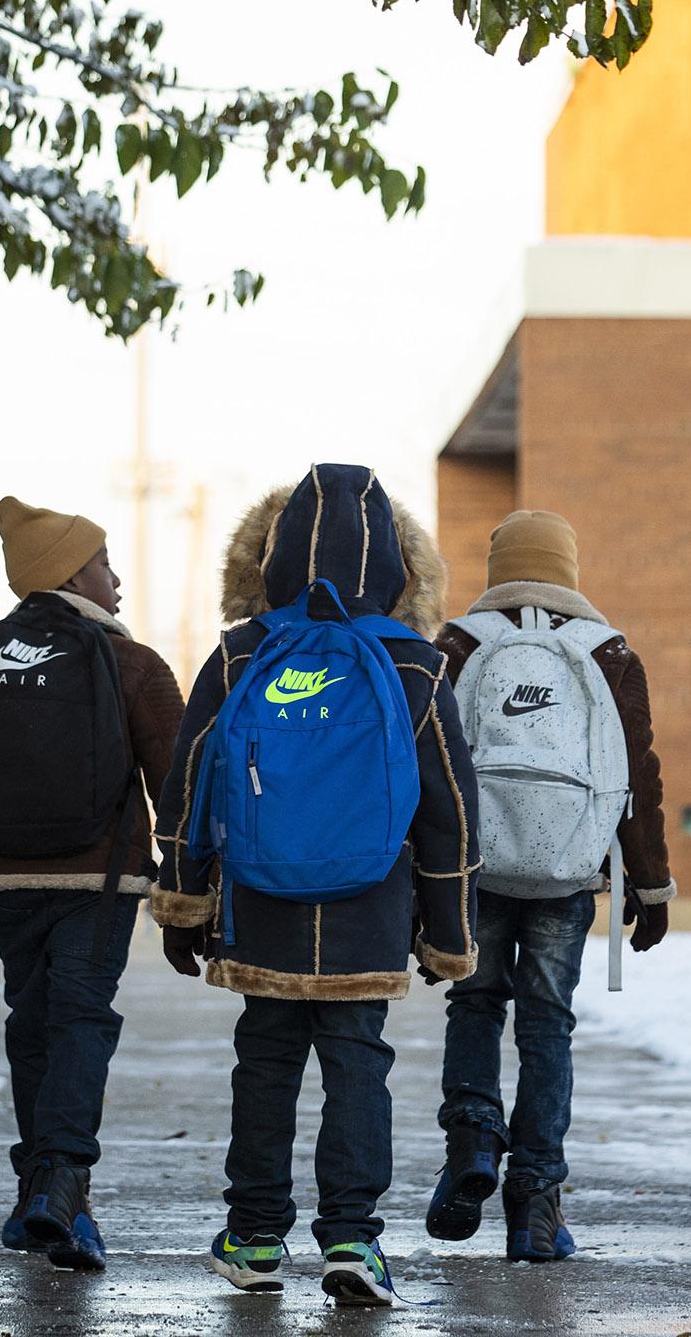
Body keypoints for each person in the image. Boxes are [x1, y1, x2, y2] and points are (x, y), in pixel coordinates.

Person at [149, 463, 479, 1306]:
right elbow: (447, 808)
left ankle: (256, 1237)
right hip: (371, 906)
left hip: (261, 901)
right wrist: (449, 929)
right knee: (357, 1067)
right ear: (400, 565)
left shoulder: (242, 652)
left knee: (264, 1063)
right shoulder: (415, 664)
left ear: (273, 555)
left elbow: (190, 780)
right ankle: (352, 1242)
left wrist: (183, 899)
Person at [0, 496, 183, 1272]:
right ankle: (61, 1181)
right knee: (80, 1021)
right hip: (101, 880)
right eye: (104, 563)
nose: (117, 580)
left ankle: (48, 1193)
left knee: (34, 1028)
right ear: (71, 572)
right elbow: (183, 785)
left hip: (6, 882)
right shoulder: (131, 664)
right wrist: (194, 891)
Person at [425, 509, 675, 1262]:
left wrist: (420, 881)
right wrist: (652, 886)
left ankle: (471, 1143)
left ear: (497, 566)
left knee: (474, 1002)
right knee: (546, 1024)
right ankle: (535, 1204)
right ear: (569, 568)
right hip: (567, 872)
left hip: (475, 863)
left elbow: (427, 763)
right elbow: (639, 776)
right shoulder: (608, 653)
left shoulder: (458, 644)